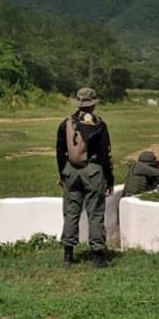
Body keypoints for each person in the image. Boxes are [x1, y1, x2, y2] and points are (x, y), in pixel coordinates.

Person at [56, 86, 114, 268]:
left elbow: (59, 152)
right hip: (93, 170)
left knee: (71, 212)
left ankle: (68, 254)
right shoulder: (99, 125)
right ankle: (98, 254)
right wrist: (109, 178)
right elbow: (105, 155)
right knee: (95, 213)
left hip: (70, 171)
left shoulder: (65, 123)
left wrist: (62, 175)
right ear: (93, 105)